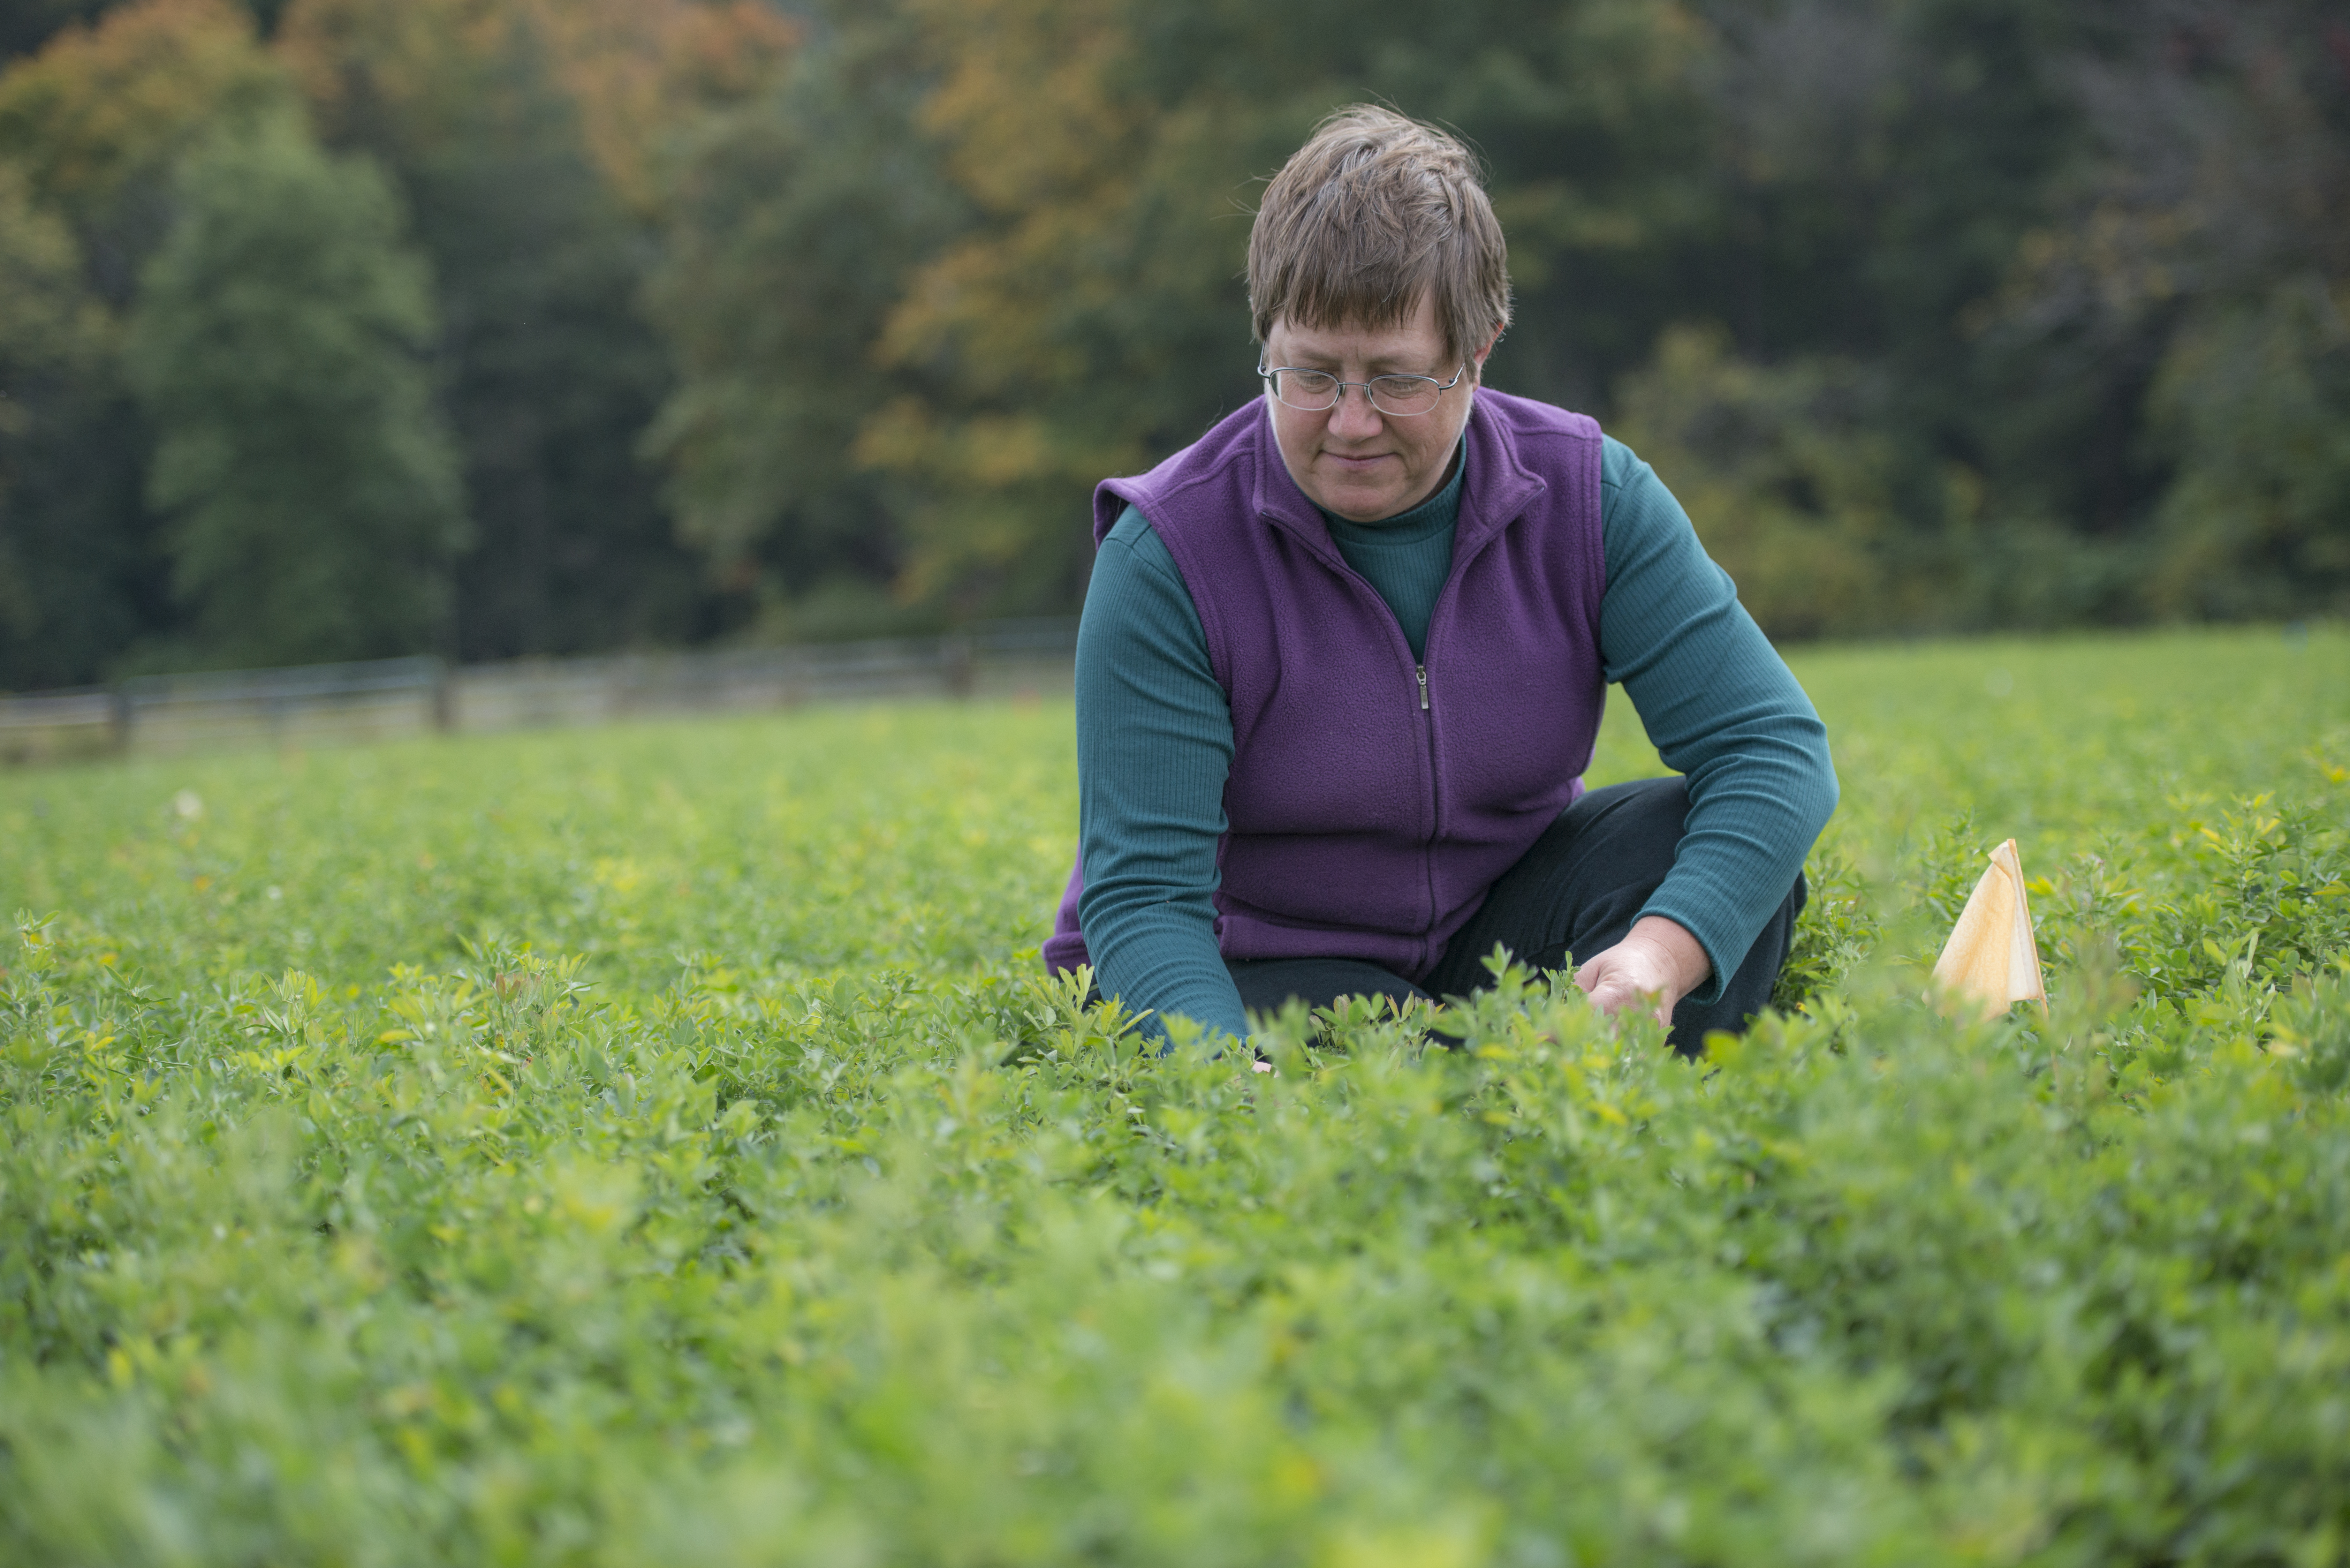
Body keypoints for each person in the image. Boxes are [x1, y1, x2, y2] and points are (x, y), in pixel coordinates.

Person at [1042, 106, 1837, 1056]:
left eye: (1395, 379)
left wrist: (1657, 960)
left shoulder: (1587, 495)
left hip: (1497, 936)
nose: (1348, 422)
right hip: (1263, 968)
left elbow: (1771, 751)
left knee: (1683, 846)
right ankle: (1487, 1090)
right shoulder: (1170, 552)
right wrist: (1227, 1091)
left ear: (1479, 349)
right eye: (1310, 373)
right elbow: (1144, 902)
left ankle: (1554, 1079)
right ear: (1266, 343)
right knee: (1366, 1074)